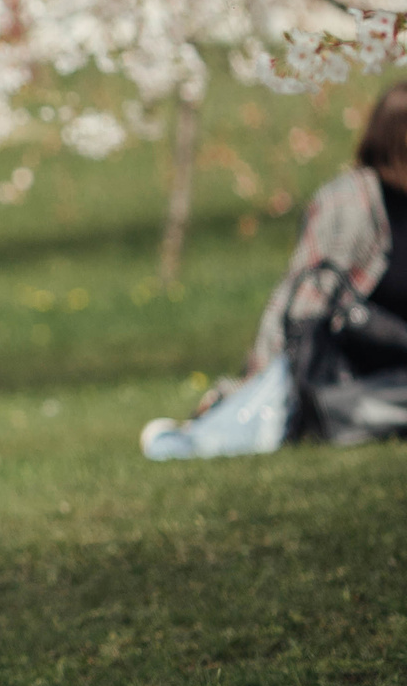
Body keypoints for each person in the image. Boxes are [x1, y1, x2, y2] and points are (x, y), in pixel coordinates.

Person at [143, 78, 407, 459]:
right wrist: (261, 376)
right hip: (348, 374)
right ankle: (187, 436)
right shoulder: (351, 201)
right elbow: (303, 306)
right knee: (236, 429)